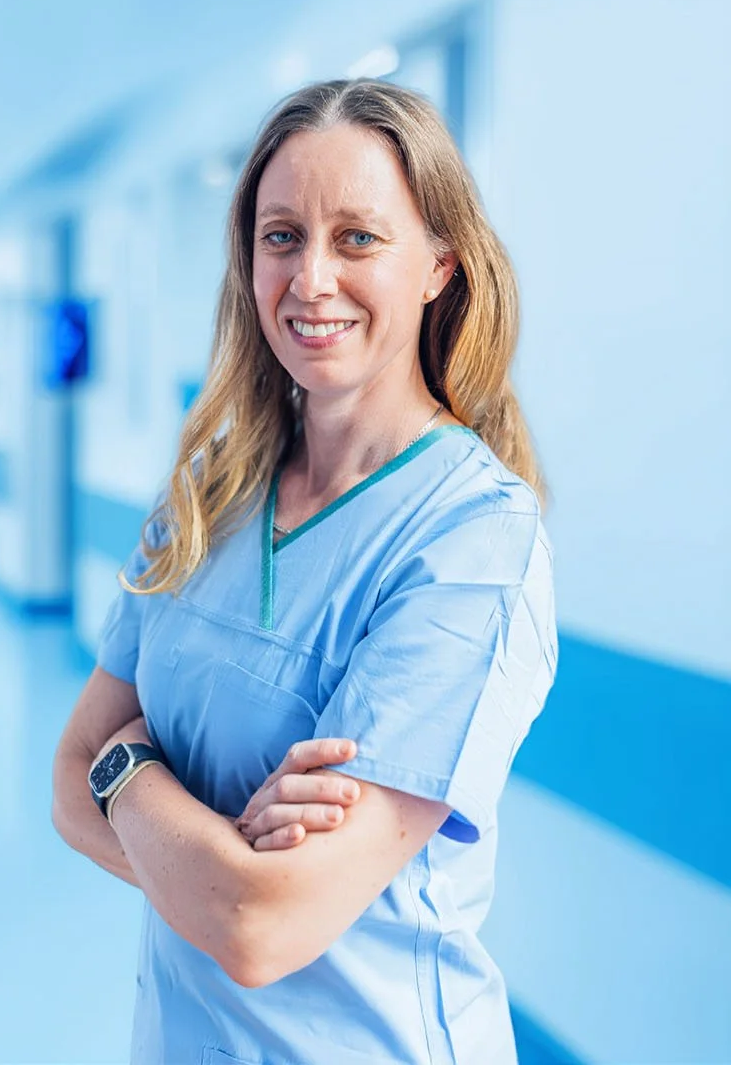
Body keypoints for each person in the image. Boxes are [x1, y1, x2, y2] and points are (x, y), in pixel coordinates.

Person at [52, 78, 556, 1064]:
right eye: (281, 236)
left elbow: (259, 927)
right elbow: (71, 780)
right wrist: (202, 841)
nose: (311, 278)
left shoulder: (471, 540)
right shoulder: (207, 494)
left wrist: (132, 768)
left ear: (439, 268)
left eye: (358, 238)